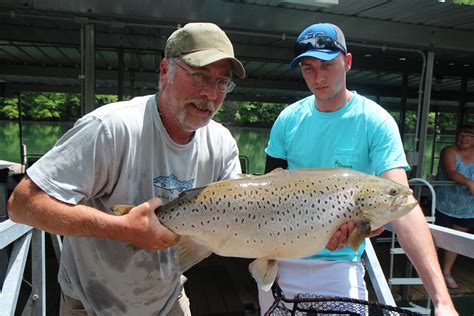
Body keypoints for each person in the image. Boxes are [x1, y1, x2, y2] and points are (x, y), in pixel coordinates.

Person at [7, 22, 246, 315]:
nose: (210, 94)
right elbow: (23, 204)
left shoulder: (221, 144)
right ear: (164, 71)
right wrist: (121, 229)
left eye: (222, 82)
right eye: (199, 76)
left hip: (167, 299)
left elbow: (238, 216)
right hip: (91, 304)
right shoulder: (110, 129)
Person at [258, 23, 458, 315]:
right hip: (282, 263)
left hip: (341, 265)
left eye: (327, 65)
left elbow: (402, 203)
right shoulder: (288, 120)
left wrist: (441, 301)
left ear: (347, 62)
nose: (318, 77)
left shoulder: (375, 121)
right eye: (308, 68)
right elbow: (267, 198)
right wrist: (267, 258)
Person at [435, 124, 474, 289]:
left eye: (469, 134)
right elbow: (450, 171)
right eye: (461, 133)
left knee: (456, 241)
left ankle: (446, 272)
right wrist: (469, 183)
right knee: (438, 238)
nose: (463, 137)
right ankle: (431, 272)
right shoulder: (449, 151)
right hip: (445, 203)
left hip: (467, 208)